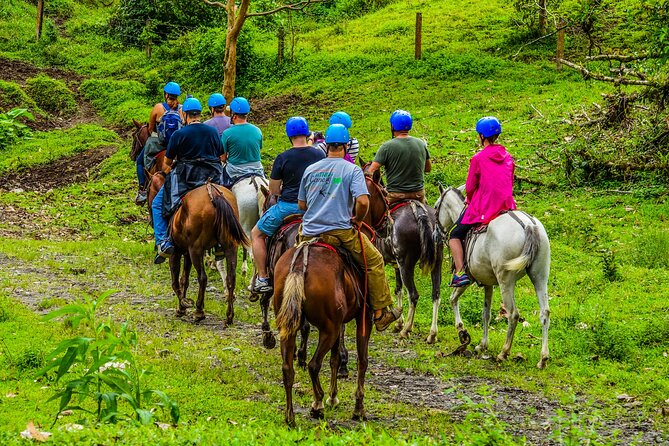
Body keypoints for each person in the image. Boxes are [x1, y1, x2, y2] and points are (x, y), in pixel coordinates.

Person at [298, 123, 401, 332]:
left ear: (326, 145)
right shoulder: (352, 170)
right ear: (345, 146)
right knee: (375, 261)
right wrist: (359, 220)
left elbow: (302, 204)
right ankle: (381, 312)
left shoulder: (311, 169)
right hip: (340, 232)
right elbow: (363, 202)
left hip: (309, 233)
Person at [250, 116, 324, 293]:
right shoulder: (319, 154)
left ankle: (262, 278)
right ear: (307, 133)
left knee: (256, 234)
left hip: (287, 207)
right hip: (314, 209)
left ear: (288, 135)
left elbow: (274, 190)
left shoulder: (283, 158)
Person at [151, 97, 224, 264]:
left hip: (186, 178)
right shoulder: (212, 131)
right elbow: (220, 155)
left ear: (184, 114)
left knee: (157, 204)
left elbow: (166, 164)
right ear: (199, 114)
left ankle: (163, 242)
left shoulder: (179, 134)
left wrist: (168, 168)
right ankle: (221, 240)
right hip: (211, 177)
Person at [448, 116, 517, 287]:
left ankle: (460, 273)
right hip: (507, 206)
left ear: (482, 136)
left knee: (454, 235)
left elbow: (470, 187)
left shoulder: (478, 158)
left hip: (485, 208)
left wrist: (469, 199)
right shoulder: (508, 157)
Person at [366, 110, 431, 204]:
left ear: (392, 126)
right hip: (418, 194)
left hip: (395, 196)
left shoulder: (386, 146)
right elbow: (428, 168)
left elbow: (370, 171)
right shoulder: (421, 143)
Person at [135, 81, 182, 205]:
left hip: (158, 144)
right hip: (177, 146)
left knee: (140, 162)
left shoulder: (158, 108)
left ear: (166, 94)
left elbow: (150, 129)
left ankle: (142, 190)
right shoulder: (182, 109)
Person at [220, 97, 264, 187]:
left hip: (235, 171)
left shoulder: (227, 133)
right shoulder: (257, 130)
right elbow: (258, 149)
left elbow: (223, 158)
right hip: (257, 169)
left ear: (234, 115)